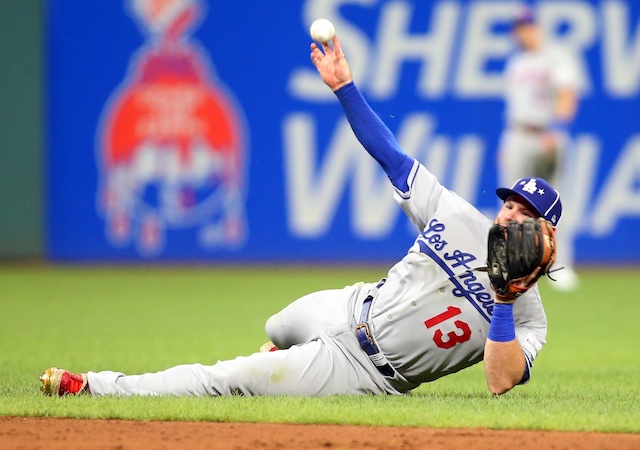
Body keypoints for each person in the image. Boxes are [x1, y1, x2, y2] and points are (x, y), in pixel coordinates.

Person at [40, 34, 562, 398]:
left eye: (525, 213)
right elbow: (392, 156)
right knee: (275, 325)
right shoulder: (456, 214)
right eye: (510, 202)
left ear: (543, 238)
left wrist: (501, 301)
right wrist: (344, 88)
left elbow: (500, 381)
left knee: (229, 378)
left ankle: (94, 385)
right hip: (348, 304)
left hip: (365, 369)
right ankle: (284, 354)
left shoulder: (529, 318)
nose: (510, 214)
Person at [498, 7, 579, 291]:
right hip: (518, 133)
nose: (524, 32)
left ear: (538, 28)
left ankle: (560, 264)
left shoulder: (555, 57)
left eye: (529, 26)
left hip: (545, 134)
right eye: (520, 27)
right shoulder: (516, 62)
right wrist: (508, 140)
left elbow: (567, 95)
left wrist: (556, 130)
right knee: (511, 205)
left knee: (555, 201)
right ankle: (511, 265)